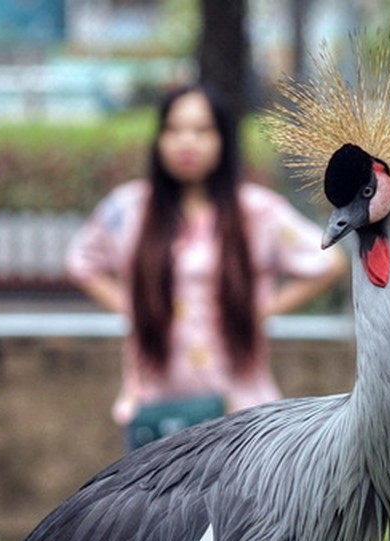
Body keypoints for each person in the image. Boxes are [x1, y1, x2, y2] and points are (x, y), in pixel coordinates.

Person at [67, 85, 346, 449]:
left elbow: (329, 261)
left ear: (222, 141)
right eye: (174, 129)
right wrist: (134, 308)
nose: (187, 142)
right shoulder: (128, 209)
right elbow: (80, 261)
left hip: (241, 414)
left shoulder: (256, 212)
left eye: (201, 131)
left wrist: (261, 309)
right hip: (155, 413)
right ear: (160, 139)